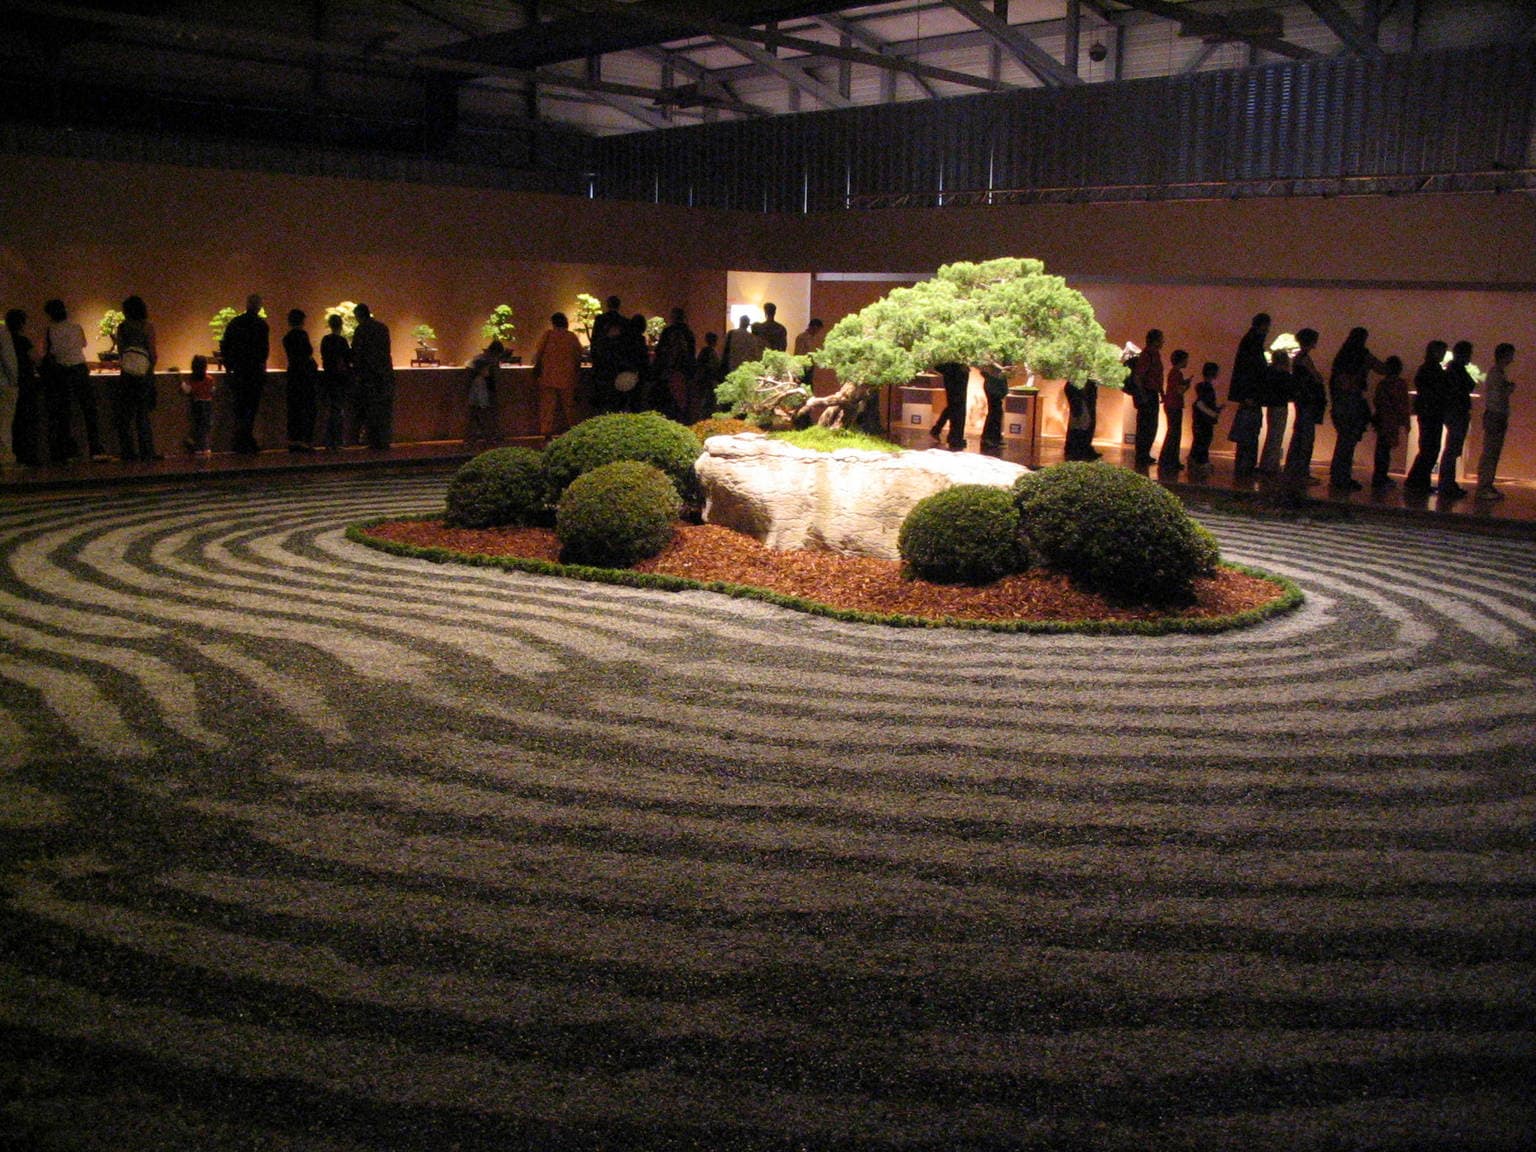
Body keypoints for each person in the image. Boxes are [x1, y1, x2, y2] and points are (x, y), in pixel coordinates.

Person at [42, 298, 106, 462]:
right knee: (89, 410)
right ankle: (95, 448)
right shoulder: (76, 327)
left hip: (61, 371)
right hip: (79, 368)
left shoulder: (50, 330)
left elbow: (49, 353)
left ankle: (66, 451)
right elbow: (83, 344)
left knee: (64, 412)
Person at [1327, 326, 1383, 490]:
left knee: (1344, 441)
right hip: (1350, 402)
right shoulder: (1362, 355)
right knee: (1348, 441)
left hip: (1340, 402)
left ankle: (1339, 476)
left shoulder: (1342, 357)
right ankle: (1342, 477)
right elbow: (1380, 368)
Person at [221, 293, 269, 455]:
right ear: (259, 307)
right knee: (251, 408)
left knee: (240, 407)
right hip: (254, 372)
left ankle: (240, 440)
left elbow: (225, 346)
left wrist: (229, 367)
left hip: (239, 371)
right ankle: (247, 439)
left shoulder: (235, 323)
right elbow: (264, 351)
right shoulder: (261, 325)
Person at [111, 294, 158, 462]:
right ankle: (147, 452)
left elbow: (121, 352)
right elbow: (152, 353)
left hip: (127, 375)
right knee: (143, 415)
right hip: (144, 375)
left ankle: (128, 452)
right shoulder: (147, 327)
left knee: (125, 415)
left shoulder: (122, 328)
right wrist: (150, 368)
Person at [1403, 340, 1449, 493]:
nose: (1443, 354)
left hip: (1428, 412)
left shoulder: (1426, 369)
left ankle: (1419, 481)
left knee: (1428, 448)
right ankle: (1416, 481)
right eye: (1441, 351)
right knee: (1430, 449)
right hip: (1431, 413)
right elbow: (1436, 390)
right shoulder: (1432, 370)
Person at [1283, 328, 1326, 487]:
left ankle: (1292, 469)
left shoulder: (1298, 358)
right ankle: (1301, 472)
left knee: (1299, 435)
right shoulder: (1304, 359)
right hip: (1307, 402)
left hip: (1302, 402)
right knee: (1306, 437)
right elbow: (1316, 377)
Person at [1475, 343, 1517, 501]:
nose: (1512, 358)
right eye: (1511, 354)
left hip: (1495, 415)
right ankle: (1484, 487)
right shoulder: (1497, 374)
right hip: (1495, 415)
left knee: (1492, 452)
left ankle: (1486, 484)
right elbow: (1498, 395)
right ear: (1505, 355)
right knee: (1491, 453)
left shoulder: (1497, 373)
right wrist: (1509, 389)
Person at [531, 312, 583, 439]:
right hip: (567, 377)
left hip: (548, 377)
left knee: (547, 407)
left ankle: (547, 433)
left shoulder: (548, 335)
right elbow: (578, 356)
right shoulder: (571, 337)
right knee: (569, 407)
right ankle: (574, 430)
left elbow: (538, 353)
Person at [1435, 339, 1476, 498]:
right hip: (1456, 413)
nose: (1470, 357)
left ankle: (1447, 483)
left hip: (1454, 413)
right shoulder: (1457, 370)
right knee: (1452, 450)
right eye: (1469, 354)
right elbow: (1469, 385)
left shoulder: (1453, 369)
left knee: (1452, 449)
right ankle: (1446, 485)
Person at [350, 303, 394, 449]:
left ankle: (373, 440)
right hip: (384, 374)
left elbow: (357, 353)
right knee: (383, 410)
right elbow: (386, 350)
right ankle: (384, 440)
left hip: (368, 376)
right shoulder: (383, 328)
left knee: (370, 410)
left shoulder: (361, 329)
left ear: (358, 316)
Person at [6, 309, 45, 467]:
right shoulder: (23, 341)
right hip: (27, 384)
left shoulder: (7, 342)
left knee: (13, 421)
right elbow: (36, 360)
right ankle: (29, 455)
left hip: (11, 384)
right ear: (22, 323)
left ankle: (14, 454)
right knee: (28, 420)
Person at [1370, 355, 1410, 489]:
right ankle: (1381, 477)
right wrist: (1406, 422)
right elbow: (1403, 404)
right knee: (1384, 450)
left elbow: (1378, 401)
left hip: (1382, 420)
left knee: (1381, 449)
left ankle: (1379, 476)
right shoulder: (1400, 384)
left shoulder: (1382, 384)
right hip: (1391, 421)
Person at [282, 308, 317, 452]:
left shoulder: (287, 338)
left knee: (294, 408)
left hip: (293, 374)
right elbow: (308, 352)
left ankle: (293, 441)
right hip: (305, 376)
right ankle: (305, 441)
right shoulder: (303, 335)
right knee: (307, 408)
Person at [652, 307, 696, 418]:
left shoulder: (668, 332)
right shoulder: (689, 333)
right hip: (684, 371)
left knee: (669, 398)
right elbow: (692, 353)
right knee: (683, 398)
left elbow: (659, 351)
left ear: (673, 317)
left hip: (668, 371)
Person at [1129, 329, 1164, 467]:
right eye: (1161, 339)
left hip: (1151, 392)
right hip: (1148, 393)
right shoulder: (1148, 355)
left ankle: (1144, 453)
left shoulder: (1153, 354)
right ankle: (1141, 454)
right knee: (1146, 425)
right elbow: (1138, 376)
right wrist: (1142, 394)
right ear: (1155, 340)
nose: (1163, 342)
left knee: (1150, 425)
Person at [318, 312, 352, 450]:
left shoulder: (325, 340)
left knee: (331, 409)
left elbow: (324, 356)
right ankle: (337, 440)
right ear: (341, 326)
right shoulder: (343, 341)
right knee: (338, 409)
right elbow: (348, 358)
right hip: (340, 379)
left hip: (328, 377)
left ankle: (329, 441)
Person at [1187, 361, 1222, 477]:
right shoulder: (1207, 388)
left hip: (1199, 420)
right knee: (1203, 442)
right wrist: (1213, 413)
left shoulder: (1201, 387)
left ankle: (1194, 463)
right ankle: (1202, 464)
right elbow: (1201, 404)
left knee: (1198, 442)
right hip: (1204, 421)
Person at [465, 339, 502, 446]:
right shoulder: (487, 361)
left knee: (474, 414)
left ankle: (471, 438)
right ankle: (488, 438)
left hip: (476, 389)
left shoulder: (478, 359)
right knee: (484, 414)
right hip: (481, 390)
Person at [1158, 348, 1190, 471]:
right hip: (1174, 405)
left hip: (1170, 405)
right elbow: (1179, 391)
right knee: (1174, 434)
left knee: (1173, 433)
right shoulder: (1177, 373)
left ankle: (1169, 460)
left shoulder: (1173, 372)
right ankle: (1169, 460)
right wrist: (1186, 385)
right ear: (1181, 360)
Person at [930, 361, 969, 451]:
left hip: (956, 371)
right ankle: (954, 437)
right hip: (955, 371)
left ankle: (946, 432)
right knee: (957, 405)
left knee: (955, 405)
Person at [182, 354, 215, 456]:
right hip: (208, 404)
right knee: (206, 427)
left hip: (197, 404)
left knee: (198, 427)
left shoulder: (191, 380)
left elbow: (187, 391)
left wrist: (180, 381)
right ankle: (205, 448)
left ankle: (197, 446)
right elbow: (213, 391)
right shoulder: (210, 379)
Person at [1063, 377, 1101, 461]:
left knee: (1082, 423)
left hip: (1083, 398)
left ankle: (1080, 448)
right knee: (1082, 423)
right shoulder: (1079, 380)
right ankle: (1078, 449)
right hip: (1081, 399)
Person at [0, 310, 19, 467]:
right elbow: (9, 361)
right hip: (3, 384)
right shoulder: (2, 332)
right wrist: (14, 382)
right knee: (4, 424)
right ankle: (5, 460)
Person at [691, 331, 722, 418]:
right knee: (709, 400)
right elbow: (714, 366)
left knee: (704, 401)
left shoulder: (703, 351)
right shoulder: (712, 352)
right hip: (709, 380)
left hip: (703, 380)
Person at [980, 367, 1009, 453]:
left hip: (996, 385)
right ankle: (989, 438)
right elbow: (984, 371)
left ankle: (994, 437)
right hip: (993, 386)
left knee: (997, 412)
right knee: (994, 412)